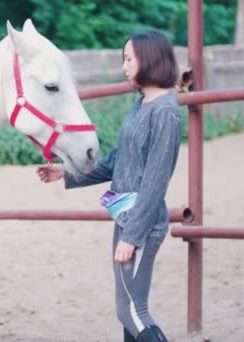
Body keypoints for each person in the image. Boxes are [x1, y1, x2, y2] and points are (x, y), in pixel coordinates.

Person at [37, 30, 181, 342]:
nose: (124, 66)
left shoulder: (166, 112)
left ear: (150, 58)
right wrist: (67, 172)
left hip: (141, 222)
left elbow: (156, 181)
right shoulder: (141, 105)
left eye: (129, 59)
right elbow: (118, 161)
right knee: (130, 308)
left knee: (130, 309)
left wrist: (132, 235)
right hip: (126, 217)